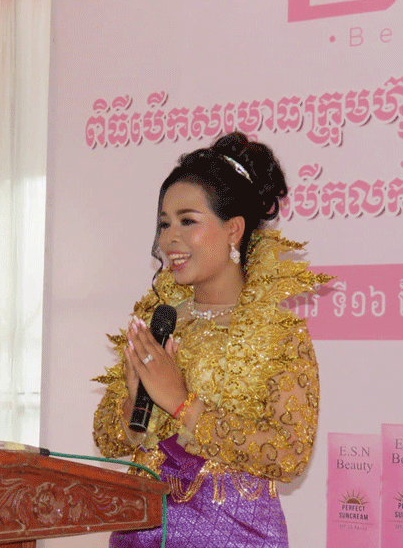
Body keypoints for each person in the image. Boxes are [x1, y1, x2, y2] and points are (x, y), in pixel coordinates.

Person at [93, 132, 330, 548]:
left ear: (233, 229)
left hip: (235, 535)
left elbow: (288, 455)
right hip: (142, 532)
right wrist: (134, 402)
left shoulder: (280, 335)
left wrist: (181, 403)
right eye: (164, 223)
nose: (169, 238)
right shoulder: (160, 322)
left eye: (188, 221)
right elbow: (107, 437)